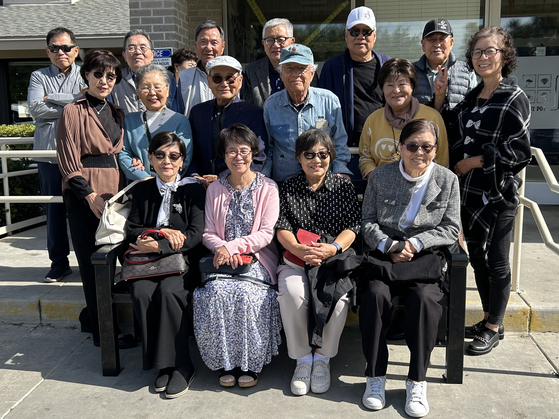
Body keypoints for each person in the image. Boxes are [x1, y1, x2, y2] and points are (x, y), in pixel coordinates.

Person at [434, 27, 531, 355]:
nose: (483, 57)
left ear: (505, 56)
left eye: (490, 51)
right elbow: (448, 126)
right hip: (470, 194)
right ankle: (492, 318)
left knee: (498, 261)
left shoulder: (515, 97)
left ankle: (493, 326)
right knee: (477, 257)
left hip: (498, 193)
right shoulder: (472, 99)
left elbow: (519, 151)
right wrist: (439, 96)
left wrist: (476, 160)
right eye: (477, 52)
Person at [360, 119, 460, 418]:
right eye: (412, 146)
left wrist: (416, 243)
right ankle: (375, 377)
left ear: (435, 148)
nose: (419, 152)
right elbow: (367, 222)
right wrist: (389, 245)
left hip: (424, 258)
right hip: (386, 256)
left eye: (427, 147)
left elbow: (451, 227)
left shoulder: (447, 179)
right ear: (399, 148)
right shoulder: (380, 177)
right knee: (375, 295)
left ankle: (417, 380)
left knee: (425, 300)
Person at [56, 50, 135, 349]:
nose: (104, 81)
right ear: (85, 75)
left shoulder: (116, 111)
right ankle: (105, 333)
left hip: (115, 195)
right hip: (84, 197)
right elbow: (67, 160)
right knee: (92, 265)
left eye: (111, 76)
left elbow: (119, 153)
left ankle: (92, 316)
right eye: (98, 74)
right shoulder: (73, 111)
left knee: (115, 259)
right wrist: (88, 195)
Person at [193, 123, 281, 389]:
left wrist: (233, 247)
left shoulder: (268, 188)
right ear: (223, 155)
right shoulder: (215, 189)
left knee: (247, 295)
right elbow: (208, 232)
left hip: (257, 261)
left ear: (253, 153)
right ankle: (225, 362)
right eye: (231, 151)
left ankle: (250, 364)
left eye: (244, 150)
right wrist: (222, 248)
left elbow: (266, 234)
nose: (238, 157)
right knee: (216, 293)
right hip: (221, 262)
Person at [275, 129, 361, 396]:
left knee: (338, 298)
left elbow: (353, 226)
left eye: (322, 154)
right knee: (292, 295)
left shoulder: (343, 186)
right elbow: (282, 228)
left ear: (330, 156)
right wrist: (300, 250)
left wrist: (333, 247)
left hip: (332, 261)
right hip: (296, 260)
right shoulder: (288, 187)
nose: (316, 160)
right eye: (309, 154)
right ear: (299, 158)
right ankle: (302, 359)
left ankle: (322, 358)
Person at [126, 131, 205, 399]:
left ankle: (182, 364)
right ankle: (164, 364)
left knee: (171, 292)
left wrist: (163, 245)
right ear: (150, 158)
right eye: (159, 155)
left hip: (182, 261)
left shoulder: (193, 190)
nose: (166, 161)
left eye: (173, 156)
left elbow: (196, 233)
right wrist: (158, 234)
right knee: (141, 292)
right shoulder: (141, 189)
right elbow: (132, 228)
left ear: (182, 161)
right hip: (147, 261)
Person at [27, 27, 85, 283]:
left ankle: (89, 262)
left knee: (85, 209)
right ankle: (59, 263)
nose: (60, 52)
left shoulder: (86, 73)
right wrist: (73, 103)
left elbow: (89, 105)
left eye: (65, 47)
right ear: (47, 51)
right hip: (49, 155)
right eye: (54, 48)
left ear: (75, 50)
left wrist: (56, 99)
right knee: (53, 212)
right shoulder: (38, 76)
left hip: (81, 156)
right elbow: (36, 108)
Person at [263, 44, 352, 181]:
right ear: (281, 73)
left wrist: (340, 170)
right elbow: (267, 149)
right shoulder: (271, 105)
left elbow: (339, 141)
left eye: (301, 68)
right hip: (284, 184)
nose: (295, 74)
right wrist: (264, 179)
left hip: (322, 182)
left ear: (312, 73)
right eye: (289, 68)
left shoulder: (329, 101)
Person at [359, 58, 448, 180]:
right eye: (390, 85)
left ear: (412, 86)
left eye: (402, 84)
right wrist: (376, 179)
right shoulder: (372, 120)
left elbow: (442, 161)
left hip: (423, 190)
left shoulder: (432, 118)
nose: (396, 90)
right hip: (383, 189)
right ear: (382, 89)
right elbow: (365, 158)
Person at [188, 56, 267, 187]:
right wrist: (196, 177)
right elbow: (191, 153)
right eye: (217, 78)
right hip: (200, 187)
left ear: (240, 81)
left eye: (230, 79)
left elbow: (258, 156)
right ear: (209, 81)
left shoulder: (253, 113)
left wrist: (223, 178)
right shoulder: (197, 113)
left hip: (238, 186)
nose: (224, 84)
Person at [319, 7, 390, 151]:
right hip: (344, 152)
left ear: (374, 36)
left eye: (366, 32)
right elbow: (322, 112)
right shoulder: (332, 67)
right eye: (354, 32)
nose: (360, 36)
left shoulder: (388, 66)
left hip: (382, 148)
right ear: (346, 36)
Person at [119, 64, 193, 181]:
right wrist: (146, 180)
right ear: (138, 91)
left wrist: (162, 181)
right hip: (139, 187)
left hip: (171, 187)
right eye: (145, 87)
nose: (152, 92)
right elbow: (124, 154)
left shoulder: (180, 121)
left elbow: (184, 157)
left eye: (158, 87)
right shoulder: (129, 120)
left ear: (168, 90)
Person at [413, 18, 477, 112]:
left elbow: (474, 108)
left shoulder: (467, 71)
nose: (437, 44)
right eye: (432, 39)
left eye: (442, 39)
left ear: (451, 43)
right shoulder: (410, 72)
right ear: (423, 45)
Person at [242, 18, 296, 108]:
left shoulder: (305, 69)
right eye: (270, 40)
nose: (275, 45)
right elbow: (249, 108)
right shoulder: (252, 71)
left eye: (281, 39)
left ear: (292, 42)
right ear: (263, 44)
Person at [179, 20, 226, 117]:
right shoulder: (184, 78)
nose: (208, 48)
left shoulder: (234, 77)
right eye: (203, 42)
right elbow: (179, 114)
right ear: (196, 45)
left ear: (223, 46)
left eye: (214, 42)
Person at [110, 29, 155, 114]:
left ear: (152, 54)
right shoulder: (115, 80)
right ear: (124, 56)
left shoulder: (167, 79)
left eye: (143, 48)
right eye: (131, 48)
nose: (138, 52)